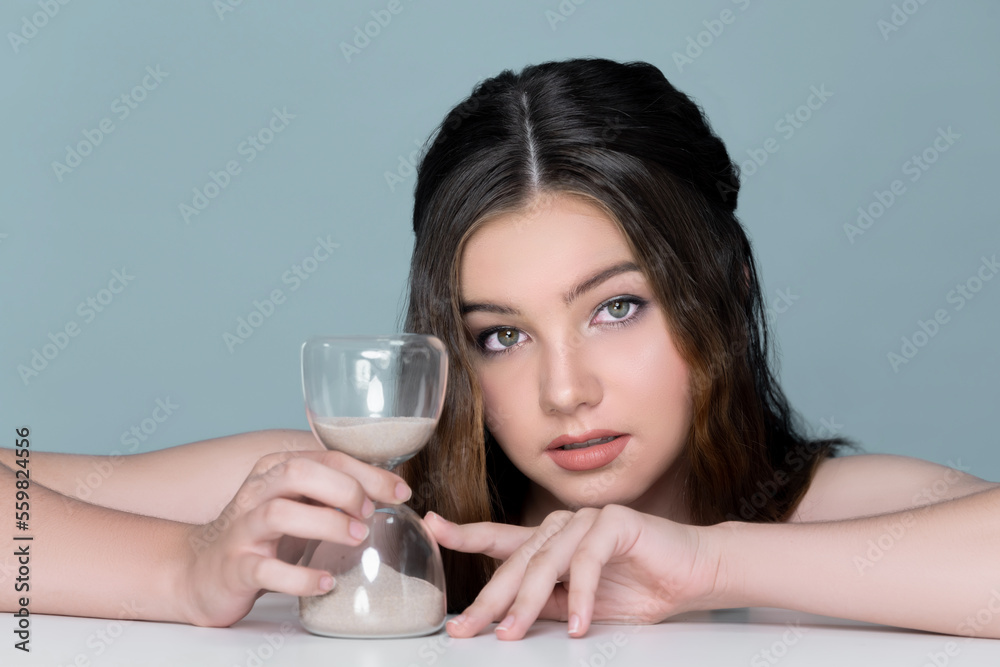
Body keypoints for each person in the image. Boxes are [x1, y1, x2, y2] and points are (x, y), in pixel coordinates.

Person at [1, 58, 997, 641]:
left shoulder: (820, 510)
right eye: (500, 335)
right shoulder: (367, 510)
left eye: (616, 309)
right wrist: (184, 566)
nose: (565, 390)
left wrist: (709, 566)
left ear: (725, 291)